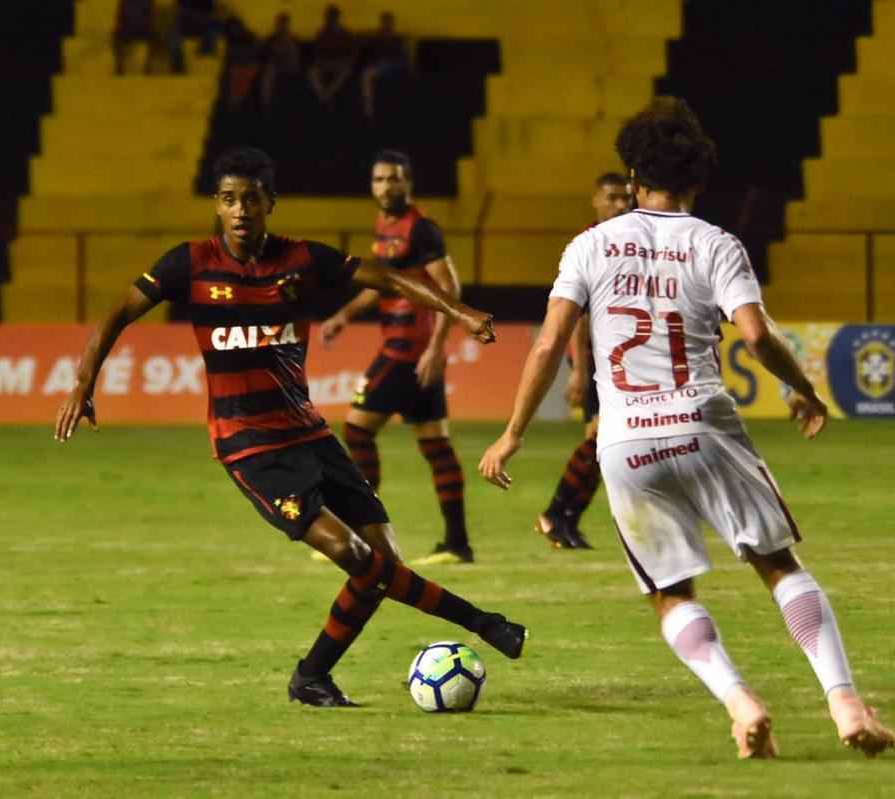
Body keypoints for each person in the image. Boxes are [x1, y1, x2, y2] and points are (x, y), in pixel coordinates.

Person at [479, 97, 893, 759]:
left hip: (625, 442)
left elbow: (549, 343)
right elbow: (755, 334)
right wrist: (803, 387)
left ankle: (740, 701)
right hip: (703, 423)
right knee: (778, 564)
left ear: (634, 178)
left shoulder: (588, 246)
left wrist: (513, 433)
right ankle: (845, 702)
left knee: (670, 594)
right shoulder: (714, 243)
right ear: (697, 180)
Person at [55, 147, 526, 707]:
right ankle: (482, 622)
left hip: (309, 432)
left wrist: (460, 311)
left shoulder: (300, 260)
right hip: (250, 447)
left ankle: (311, 678)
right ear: (217, 205)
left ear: (269, 204)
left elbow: (393, 280)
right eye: (229, 200)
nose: (239, 211)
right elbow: (117, 311)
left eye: (251, 199)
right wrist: (85, 380)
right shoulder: (191, 263)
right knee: (357, 558)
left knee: (384, 564)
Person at [321, 150, 474, 565]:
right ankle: (457, 544)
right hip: (415, 355)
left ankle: (362, 533)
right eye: (380, 179)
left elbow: (449, 289)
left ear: (408, 183)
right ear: (372, 186)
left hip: (407, 352)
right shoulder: (385, 228)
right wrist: (344, 316)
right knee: (435, 444)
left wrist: (436, 346)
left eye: (395, 178)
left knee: (356, 431)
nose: (388, 186)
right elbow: (383, 285)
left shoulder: (422, 230)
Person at [534, 173, 632, 549]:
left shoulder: (629, 240)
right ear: (596, 200)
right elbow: (578, 314)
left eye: (625, 197)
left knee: (602, 444)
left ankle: (565, 519)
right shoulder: (589, 245)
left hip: (621, 360)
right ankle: (556, 514)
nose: (620, 205)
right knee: (599, 439)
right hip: (598, 361)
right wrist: (578, 369)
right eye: (612, 198)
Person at [360, 12, 410, 119]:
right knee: (367, 74)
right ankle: (368, 107)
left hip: (391, 64)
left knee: (367, 74)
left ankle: (369, 108)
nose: (385, 25)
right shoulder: (380, 35)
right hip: (384, 65)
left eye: (387, 23)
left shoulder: (394, 38)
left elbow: (400, 58)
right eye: (384, 23)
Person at [308, 4, 357, 105]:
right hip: (326, 63)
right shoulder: (322, 33)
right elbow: (317, 52)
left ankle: (326, 96)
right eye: (328, 17)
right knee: (312, 72)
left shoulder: (346, 34)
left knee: (344, 72)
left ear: (336, 18)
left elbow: (352, 53)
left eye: (331, 18)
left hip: (341, 63)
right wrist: (320, 61)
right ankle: (324, 95)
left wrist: (346, 61)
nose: (328, 20)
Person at [259, 12, 300, 111]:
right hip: (275, 66)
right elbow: (266, 51)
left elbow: (294, 56)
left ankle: (272, 104)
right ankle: (266, 104)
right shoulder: (272, 37)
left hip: (289, 66)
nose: (281, 26)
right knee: (268, 73)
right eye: (279, 24)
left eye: (284, 24)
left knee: (271, 71)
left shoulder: (292, 38)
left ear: (287, 25)